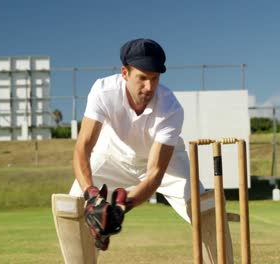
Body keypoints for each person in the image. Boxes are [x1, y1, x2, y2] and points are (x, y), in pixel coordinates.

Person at [63, 38, 232, 263]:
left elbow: (154, 174)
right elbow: (83, 147)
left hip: (164, 162)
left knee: (206, 211)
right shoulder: (103, 91)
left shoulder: (170, 108)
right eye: (142, 78)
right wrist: (91, 196)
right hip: (112, 156)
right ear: (125, 73)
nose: (149, 87)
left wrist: (124, 206)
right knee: (71, 208)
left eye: (154, 78)